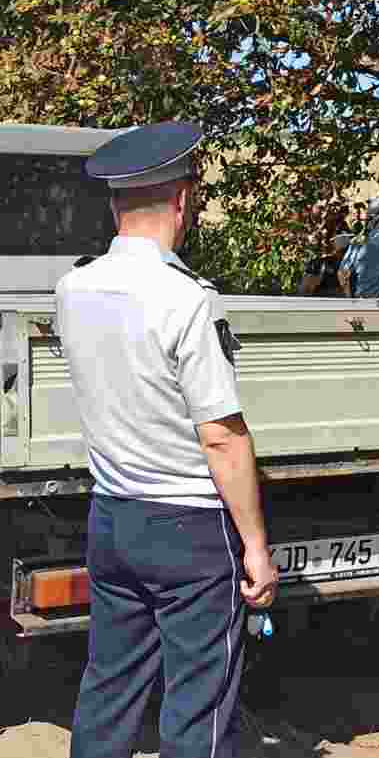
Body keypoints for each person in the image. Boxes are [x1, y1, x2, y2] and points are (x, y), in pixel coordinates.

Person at [56, 122, 278, 758]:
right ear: (183, 200)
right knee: (198, 705)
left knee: (109, 687)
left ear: (114, 206)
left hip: (112, 515)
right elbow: (222, 437)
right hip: (190, 527)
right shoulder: (190, 300)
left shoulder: (73, 289)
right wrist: (256, 546)